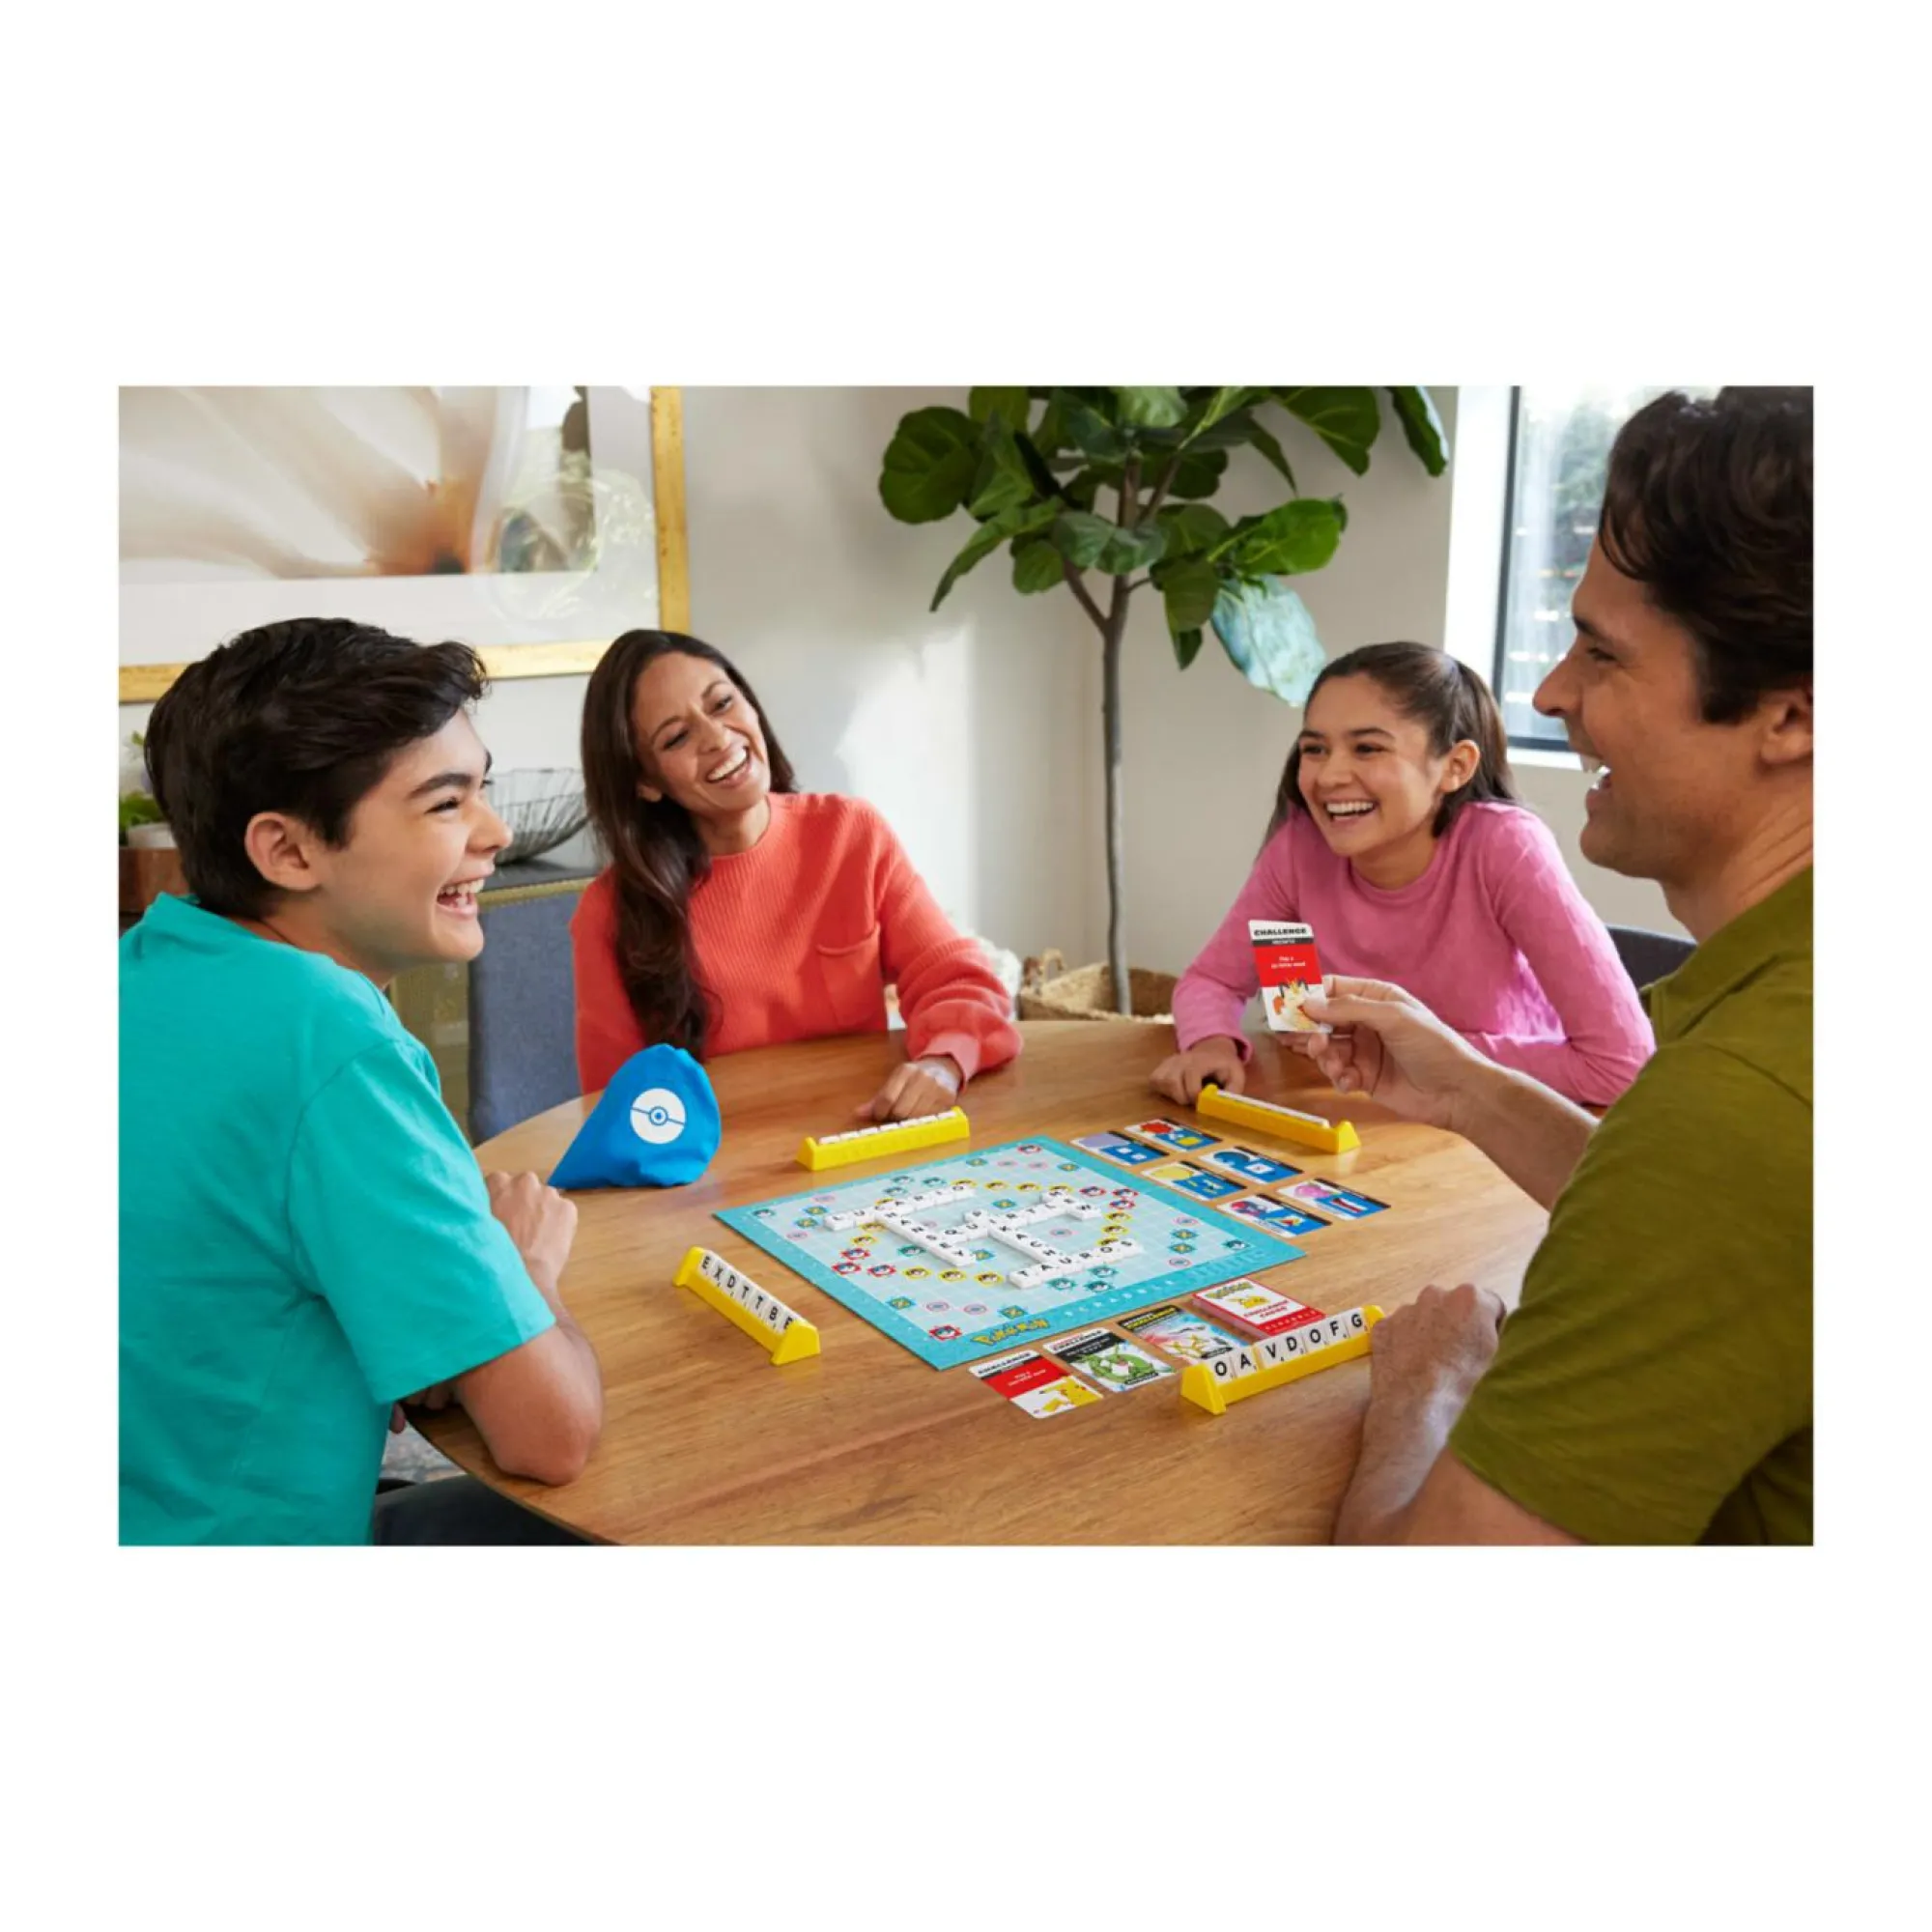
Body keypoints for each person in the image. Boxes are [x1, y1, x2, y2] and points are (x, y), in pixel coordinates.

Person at [1304, 387, 1812, 1546]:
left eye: (1600, 650)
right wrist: (1468, 1089)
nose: (1547, 693)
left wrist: (1425, 1385)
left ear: (1791, 714)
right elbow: (1706, 1225)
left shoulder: (1741, 1111)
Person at [121, 618, 604, 1546]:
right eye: (446, 803)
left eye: (483, 788)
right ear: (289, 852)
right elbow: (550, 1435)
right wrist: (525, 1266)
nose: (496, 832)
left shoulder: (141, 965)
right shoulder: (333, 1044)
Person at [1151, 643, 1653, 1111]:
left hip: (1494, 1124)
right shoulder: (1303, 847)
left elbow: (1620, 1066)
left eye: (1368, 748)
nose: (1329, 776)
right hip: (1349, 1113)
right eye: (1315, 749)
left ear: (1455, 766)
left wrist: (1405, 1053)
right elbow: (1224, 985)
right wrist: (1212, 1043)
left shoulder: (1504, 847)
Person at [572, 629, 1021, 1121]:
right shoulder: (609, 911)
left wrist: (943, 1062)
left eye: (722, 703)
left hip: (868, 1133)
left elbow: (956, 979)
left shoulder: (852, 834)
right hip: (722, 1160)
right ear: (645, 781)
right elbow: (616, 1101)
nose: (718, 738)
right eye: (677, 737)